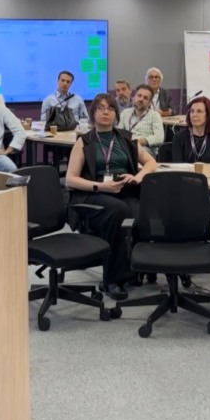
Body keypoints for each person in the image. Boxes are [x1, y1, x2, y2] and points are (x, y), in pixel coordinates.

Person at [65, 93, 158, 299]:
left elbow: (151, 163)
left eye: (110, 108)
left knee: (141, 212)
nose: (105, 112)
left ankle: (136, 268)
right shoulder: (84, 141)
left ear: (116, 113)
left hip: (124, 189)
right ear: (93, 113)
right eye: (100, 108)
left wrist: (138, 176)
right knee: (120, 212)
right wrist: (101, 187)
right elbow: (70, 179)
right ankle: (112, 280)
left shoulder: (126, 137)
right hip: (93, 193)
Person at [171, 96, 210, 163]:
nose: (194, 115)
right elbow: (177, 166)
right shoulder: (179, 137)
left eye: (199, 111)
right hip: (186, 173)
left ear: (208, 115)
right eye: (192, 111)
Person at [116, 84, 164, 156]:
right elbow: (118, 132)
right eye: (139, 96)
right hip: (126, 146)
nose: (141, 99)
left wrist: (139, 141)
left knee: (134, 151)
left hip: (146, 150)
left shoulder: (155, 116)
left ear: (149, 103)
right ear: (134, 97)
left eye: (145, 98)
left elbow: (159, 138)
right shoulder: (125, 112)